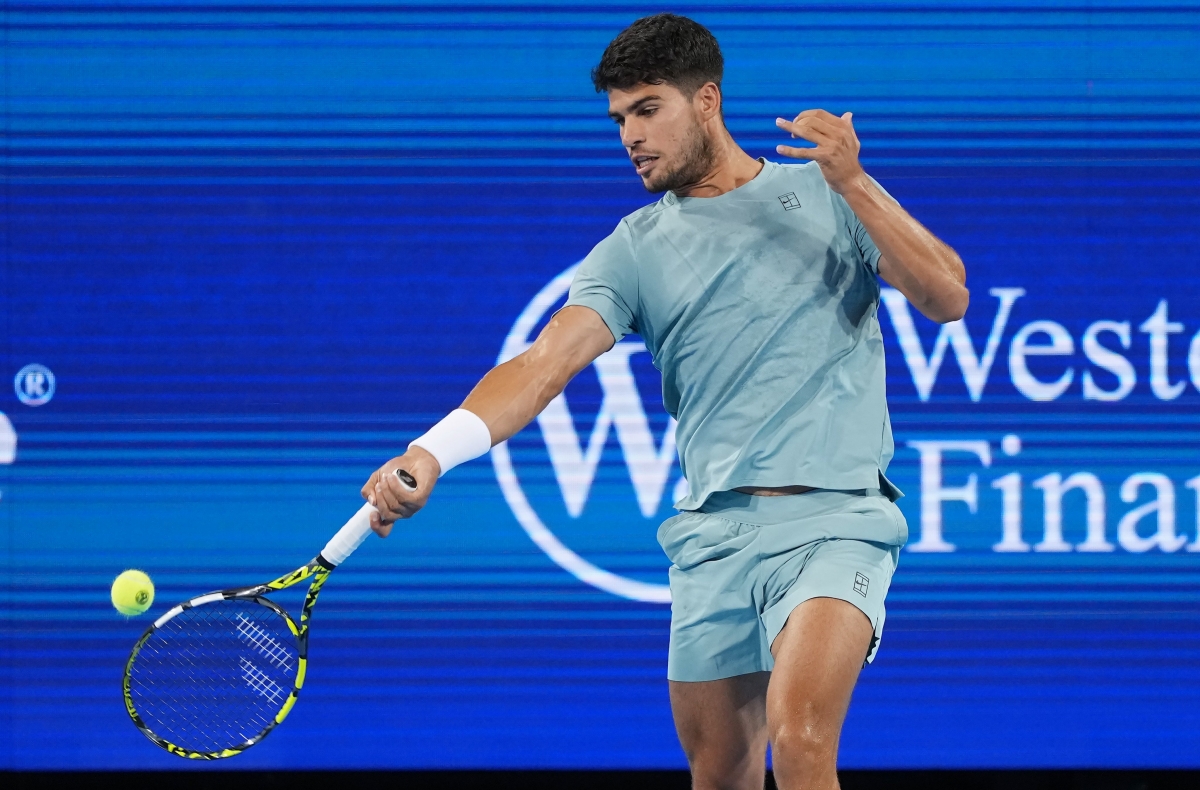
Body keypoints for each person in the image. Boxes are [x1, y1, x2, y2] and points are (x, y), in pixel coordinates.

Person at [361, 13, 967, 790]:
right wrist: (431, 452)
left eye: (648, 109)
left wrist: (851, 180)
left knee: (802, 737)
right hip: (711, 539)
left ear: (706, 100)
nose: (631, 136)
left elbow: (947, 296)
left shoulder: (826, 189)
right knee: (720, 774)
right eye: (619, 119)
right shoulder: (633, 249)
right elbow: (543, 364)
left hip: (836, 522)